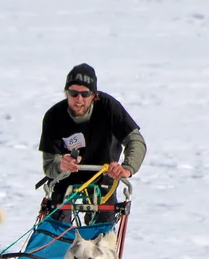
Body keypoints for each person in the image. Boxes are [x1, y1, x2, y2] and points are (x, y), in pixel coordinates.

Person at [38, 63, 147, 223]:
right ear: (66, 93)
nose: (79, 99)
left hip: (103, 175)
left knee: (101, 234)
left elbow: (136, 141)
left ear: (94, 95)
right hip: (66, 178)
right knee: (56, 227)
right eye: (73, 93)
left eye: (85, 93)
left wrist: (126, 168)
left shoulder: (109, 108)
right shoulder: (54, 117)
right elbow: (49, 165)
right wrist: (62, 164)